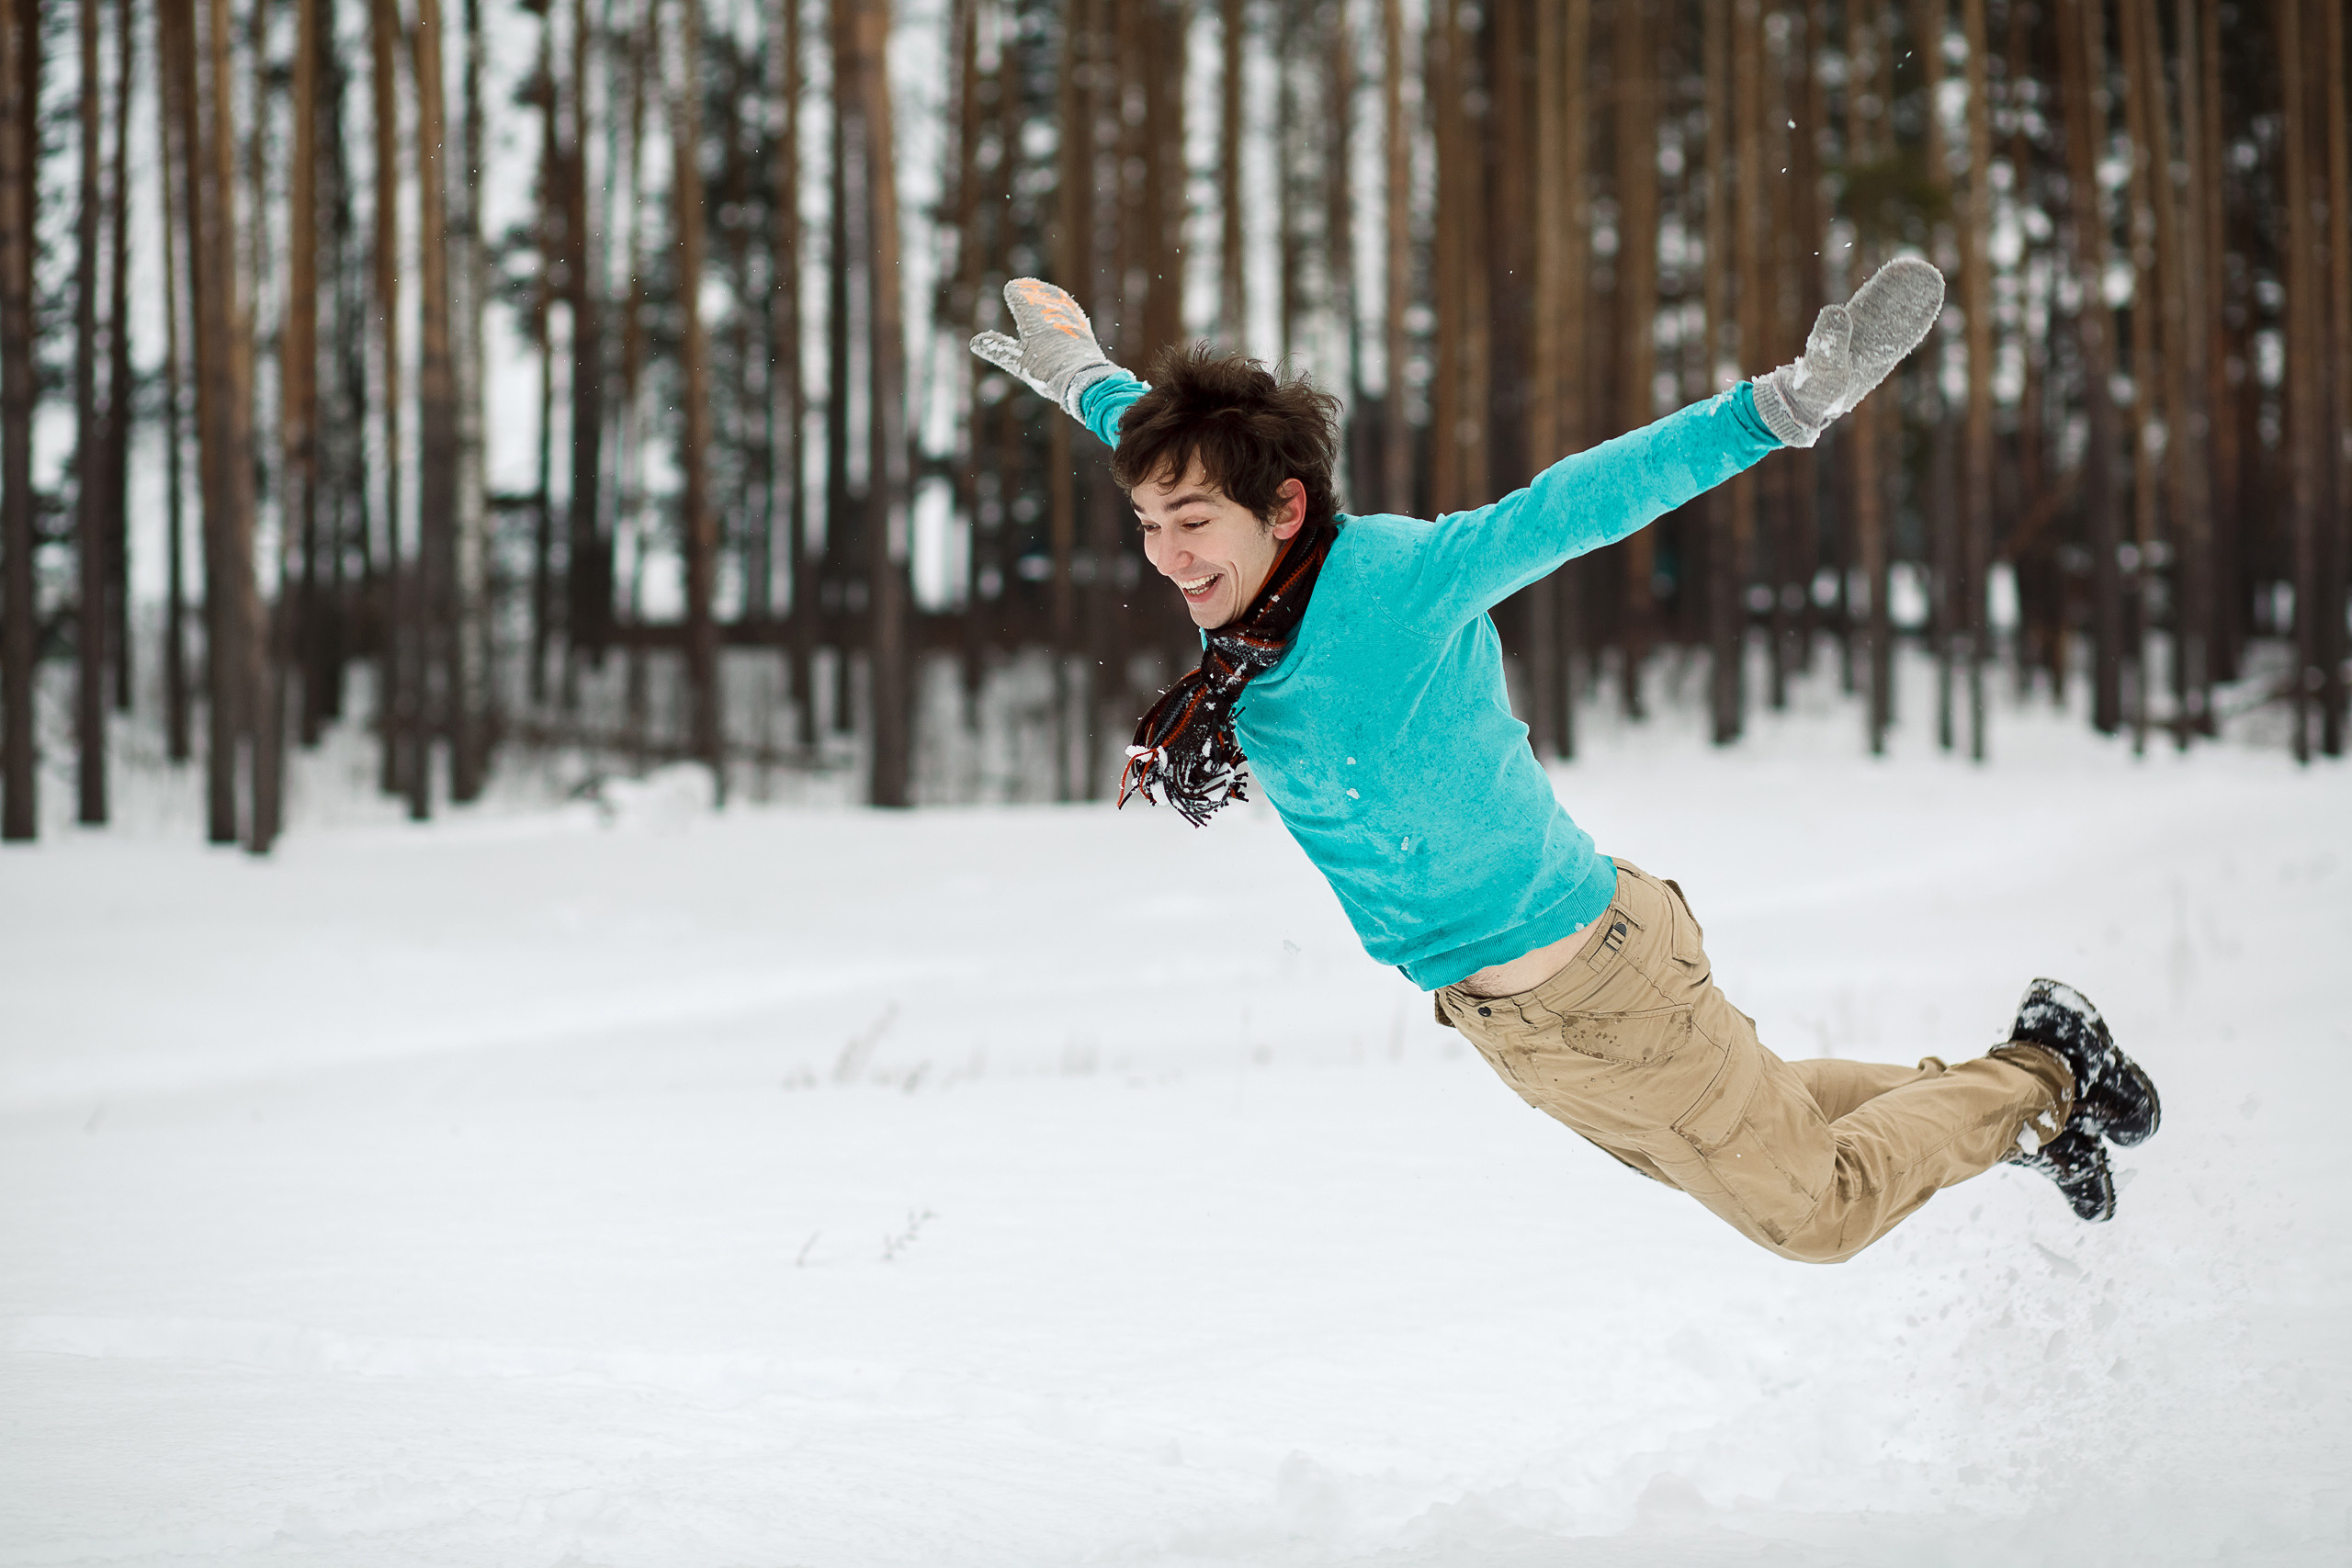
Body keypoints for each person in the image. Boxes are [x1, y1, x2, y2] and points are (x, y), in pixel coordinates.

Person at [968, 260, 2160, 1263]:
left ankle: (2044, 1077)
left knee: (1819, 1214)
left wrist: (1784, 404)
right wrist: (1078, 365)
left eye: (1194, 526)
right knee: (1777, 1120)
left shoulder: (1393, 581)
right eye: (1149, 527)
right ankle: (2028, 1084)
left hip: (1600, 978)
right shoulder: (1245, 634)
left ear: (1283, 511)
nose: (1169, 557)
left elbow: (1579, 501)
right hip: (1507, 1023)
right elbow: (1141, 426)